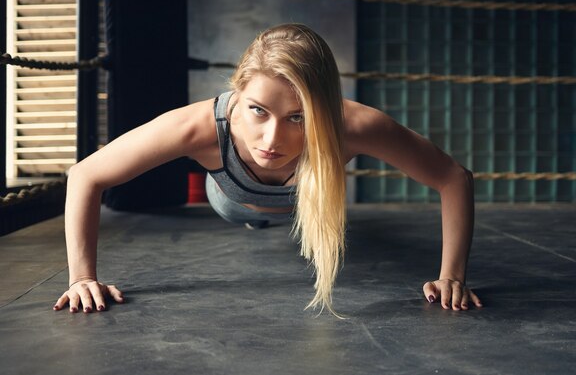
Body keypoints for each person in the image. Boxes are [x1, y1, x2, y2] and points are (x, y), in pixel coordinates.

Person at [53, 23, 482, 316]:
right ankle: (256, 218)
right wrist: (82, 278)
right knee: (248, 214)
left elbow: (453, 177)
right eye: (258, 111)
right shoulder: (197, 128)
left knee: (319, 184)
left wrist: (452, 278)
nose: (272, 140)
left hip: (304, 202)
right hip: (233, 203)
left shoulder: (352, 126)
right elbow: (86, 175)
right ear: (238, 92)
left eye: (298, 117)